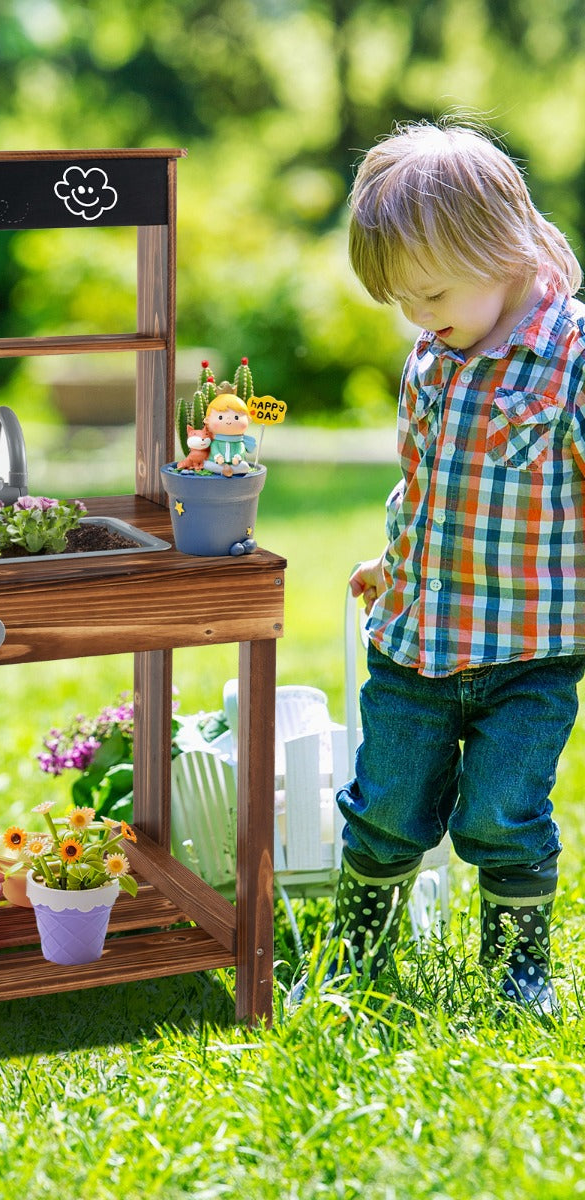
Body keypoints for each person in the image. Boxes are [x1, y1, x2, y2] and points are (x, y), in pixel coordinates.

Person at [292, 121, 585, 1016]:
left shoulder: (569, 359)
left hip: (532, 652)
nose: (419, 315)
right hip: (416, 647)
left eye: (432, 290)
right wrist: (395, 559)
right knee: (382, 809)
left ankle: (517, 971)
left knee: (502, 818)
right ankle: (360, 956)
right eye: (401, 301)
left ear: (500, 245)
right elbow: (428, 482)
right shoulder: (432, 357)